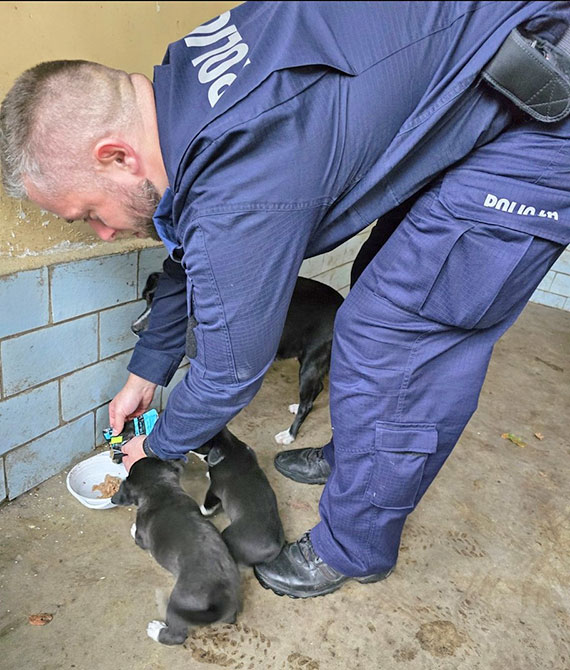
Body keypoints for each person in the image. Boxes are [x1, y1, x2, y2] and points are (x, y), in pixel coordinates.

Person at [1, 2, 569, 599]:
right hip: (484, 66)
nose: (104, 233)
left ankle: (354, 545)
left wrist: (158, 444)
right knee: (378, 274)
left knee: (394, 331)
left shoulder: (236, 184)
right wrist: (148, 369)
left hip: (543, 108)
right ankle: (358, 451)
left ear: (116, 155)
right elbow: (189, 237)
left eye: (89, 212)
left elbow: (230, 372)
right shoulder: (181, 88)